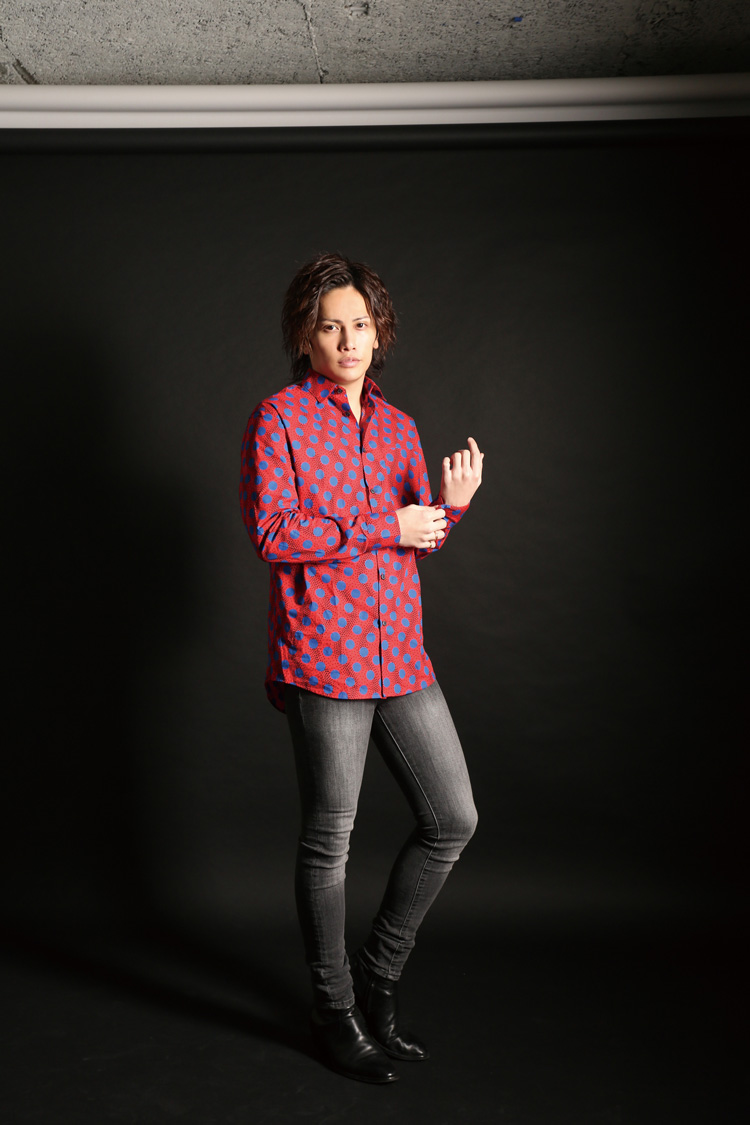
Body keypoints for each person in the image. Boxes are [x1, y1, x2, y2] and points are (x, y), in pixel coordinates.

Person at [239, 252, 483, 1084]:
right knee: (329, 839)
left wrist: (451, 508)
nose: (348, 340)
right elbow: (275, 533)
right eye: (330, 326)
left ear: (378, 335)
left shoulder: (399, 426)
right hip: (325, 654)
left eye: (360, 325)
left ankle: (379, 976)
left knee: (453, 818)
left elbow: (418, 535)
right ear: (304, 337)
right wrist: (389, 523)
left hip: (400, 652)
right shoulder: (278, 419)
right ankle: (332, 1007)